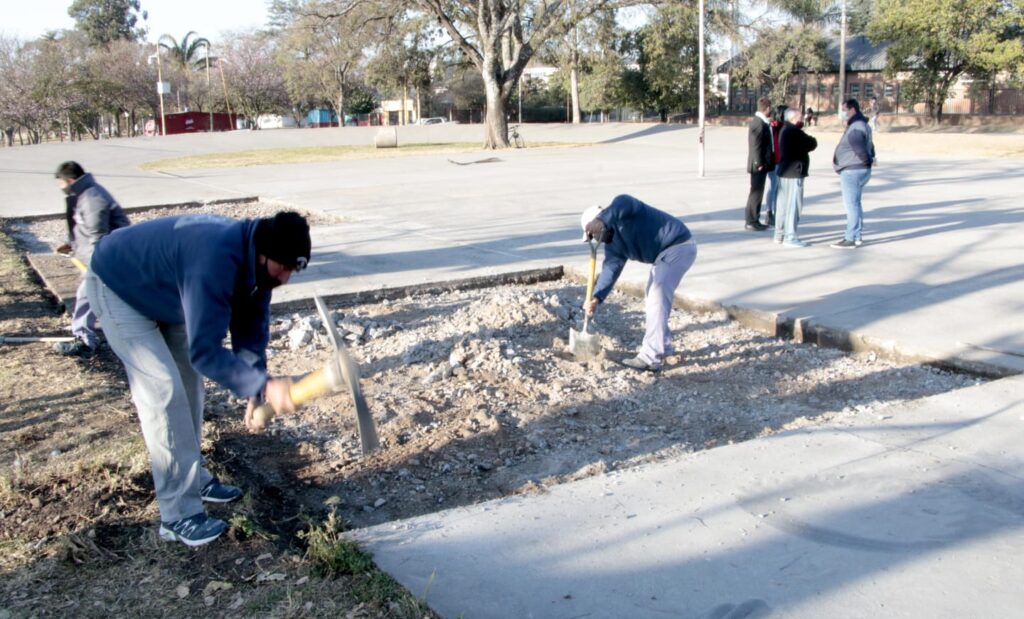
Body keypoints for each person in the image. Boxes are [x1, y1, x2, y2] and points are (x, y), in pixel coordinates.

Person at [84, 211, 310, 546]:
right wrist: (262, 385)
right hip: (118, 285)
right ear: (264, 254)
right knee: (164, 391)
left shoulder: (260, 268)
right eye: (284, 267)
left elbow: (250, 330)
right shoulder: (215, 259)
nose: (287, 278)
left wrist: (255, 389)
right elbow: (206, 351)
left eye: (295, 269)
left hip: (166, 292)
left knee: (188, 383)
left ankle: (194, 478)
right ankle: (178, 515)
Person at [581, 195, 697, 372]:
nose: (596, 239)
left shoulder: (624, 210)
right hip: (664, 256)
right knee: (652, 297)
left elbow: (623, 200)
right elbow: (610, 271)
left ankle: (651, 357)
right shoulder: (613, 245)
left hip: (678, 246)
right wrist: (596, 297)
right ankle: (663, 349)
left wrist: (600, 219)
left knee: (656, 299)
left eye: (594, 234)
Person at [53, 161, 130, 357]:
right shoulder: (83, 194)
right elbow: (84, 228)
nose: (60, 187)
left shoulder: (92, 198)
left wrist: (97, 265)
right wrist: (72, 244)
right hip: (106, 257)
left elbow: (98, 234)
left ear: (69, 180)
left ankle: (85, 341)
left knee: (86, 296)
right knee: (108, 298)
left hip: (106, 259)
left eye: (60, 183)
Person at [831, 99, 875, 249]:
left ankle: (850, 238)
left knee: (851, 205)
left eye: (845, 110)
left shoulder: (856, 127)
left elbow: (860, 149)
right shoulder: (862, 125)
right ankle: (857, 236)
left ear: (852, 110)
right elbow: (871, 146)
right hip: (858, 169)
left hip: (853, 170)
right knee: (856, 203)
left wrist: (866, 160)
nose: (843, 113)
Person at [774, 108, 818, 248]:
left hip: (784, 171)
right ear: (793, 118)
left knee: (782, 206)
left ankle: (779, 234)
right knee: (793, 206)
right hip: (793, 172)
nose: (802, 118)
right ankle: (790, 236)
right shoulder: (793, 131)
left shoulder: (785, 129)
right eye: (800, 116)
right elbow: (811, 143)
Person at [744, 97, 774, 231]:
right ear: (767, 109)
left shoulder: (761, 122)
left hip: (760, 163)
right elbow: (755, 145)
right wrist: (759, 162)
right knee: (755, 193)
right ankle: (751, 221)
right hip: (758, 165)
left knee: (757, 193)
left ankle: (754, 219)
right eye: (770, 108)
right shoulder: (758, 123)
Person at [763, 105, 787, 227]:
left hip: (779, 160)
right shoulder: (775, 126)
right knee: (773, 187)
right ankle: (769, 212)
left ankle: (774, 211)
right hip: (774, 160)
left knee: (776, 187)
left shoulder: (780, 126)